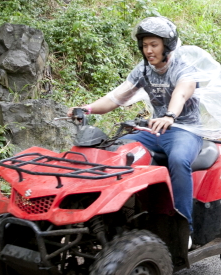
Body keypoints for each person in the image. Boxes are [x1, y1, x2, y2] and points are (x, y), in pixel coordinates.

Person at [79, 16, 203, 228]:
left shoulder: (183, 68)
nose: (149, 50)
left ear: (167, 46)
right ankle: (110, 216)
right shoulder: (143, 69)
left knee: (179, 160)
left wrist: (170, 116)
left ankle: (185, 228)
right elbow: (114, 98)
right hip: (154, 130)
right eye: (145, 45)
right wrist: (86, 108)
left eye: (154, 44)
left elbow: (181, 93)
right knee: (116, 148)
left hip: (185, 130)